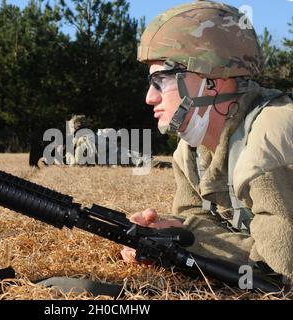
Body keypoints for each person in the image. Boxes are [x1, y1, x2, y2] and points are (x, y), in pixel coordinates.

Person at [121, 0, 293, 285]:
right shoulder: (191, 151)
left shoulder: (271, 135)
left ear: (213, 80)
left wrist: (189, 244)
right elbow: (198, 219)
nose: (149, 98)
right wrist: (168, 231)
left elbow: (281, 267)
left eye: (161, 81)